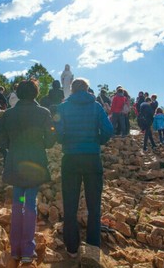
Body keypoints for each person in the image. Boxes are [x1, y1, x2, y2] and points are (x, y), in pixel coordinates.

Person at [0, 79, 56, 264]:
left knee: (18, 203)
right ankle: (27, 251)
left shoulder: (8, 114)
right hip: (34, 164)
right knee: (30, 204)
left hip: (15, 163)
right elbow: (50, 141)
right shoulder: (43, 113)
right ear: (36, 93)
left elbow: (1, 140)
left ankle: (15, 249)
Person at [55, 78, 113, 258]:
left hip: (70, 158)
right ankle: (93, 246)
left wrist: (65, 141)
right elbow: (108, 130)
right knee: (94, 205)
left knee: (70, 204)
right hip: (92, 158)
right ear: (87, 89)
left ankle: (72, 248)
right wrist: (98, 141)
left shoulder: (63, 107)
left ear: (71, 89)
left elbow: (57, 132)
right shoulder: (96, 106)